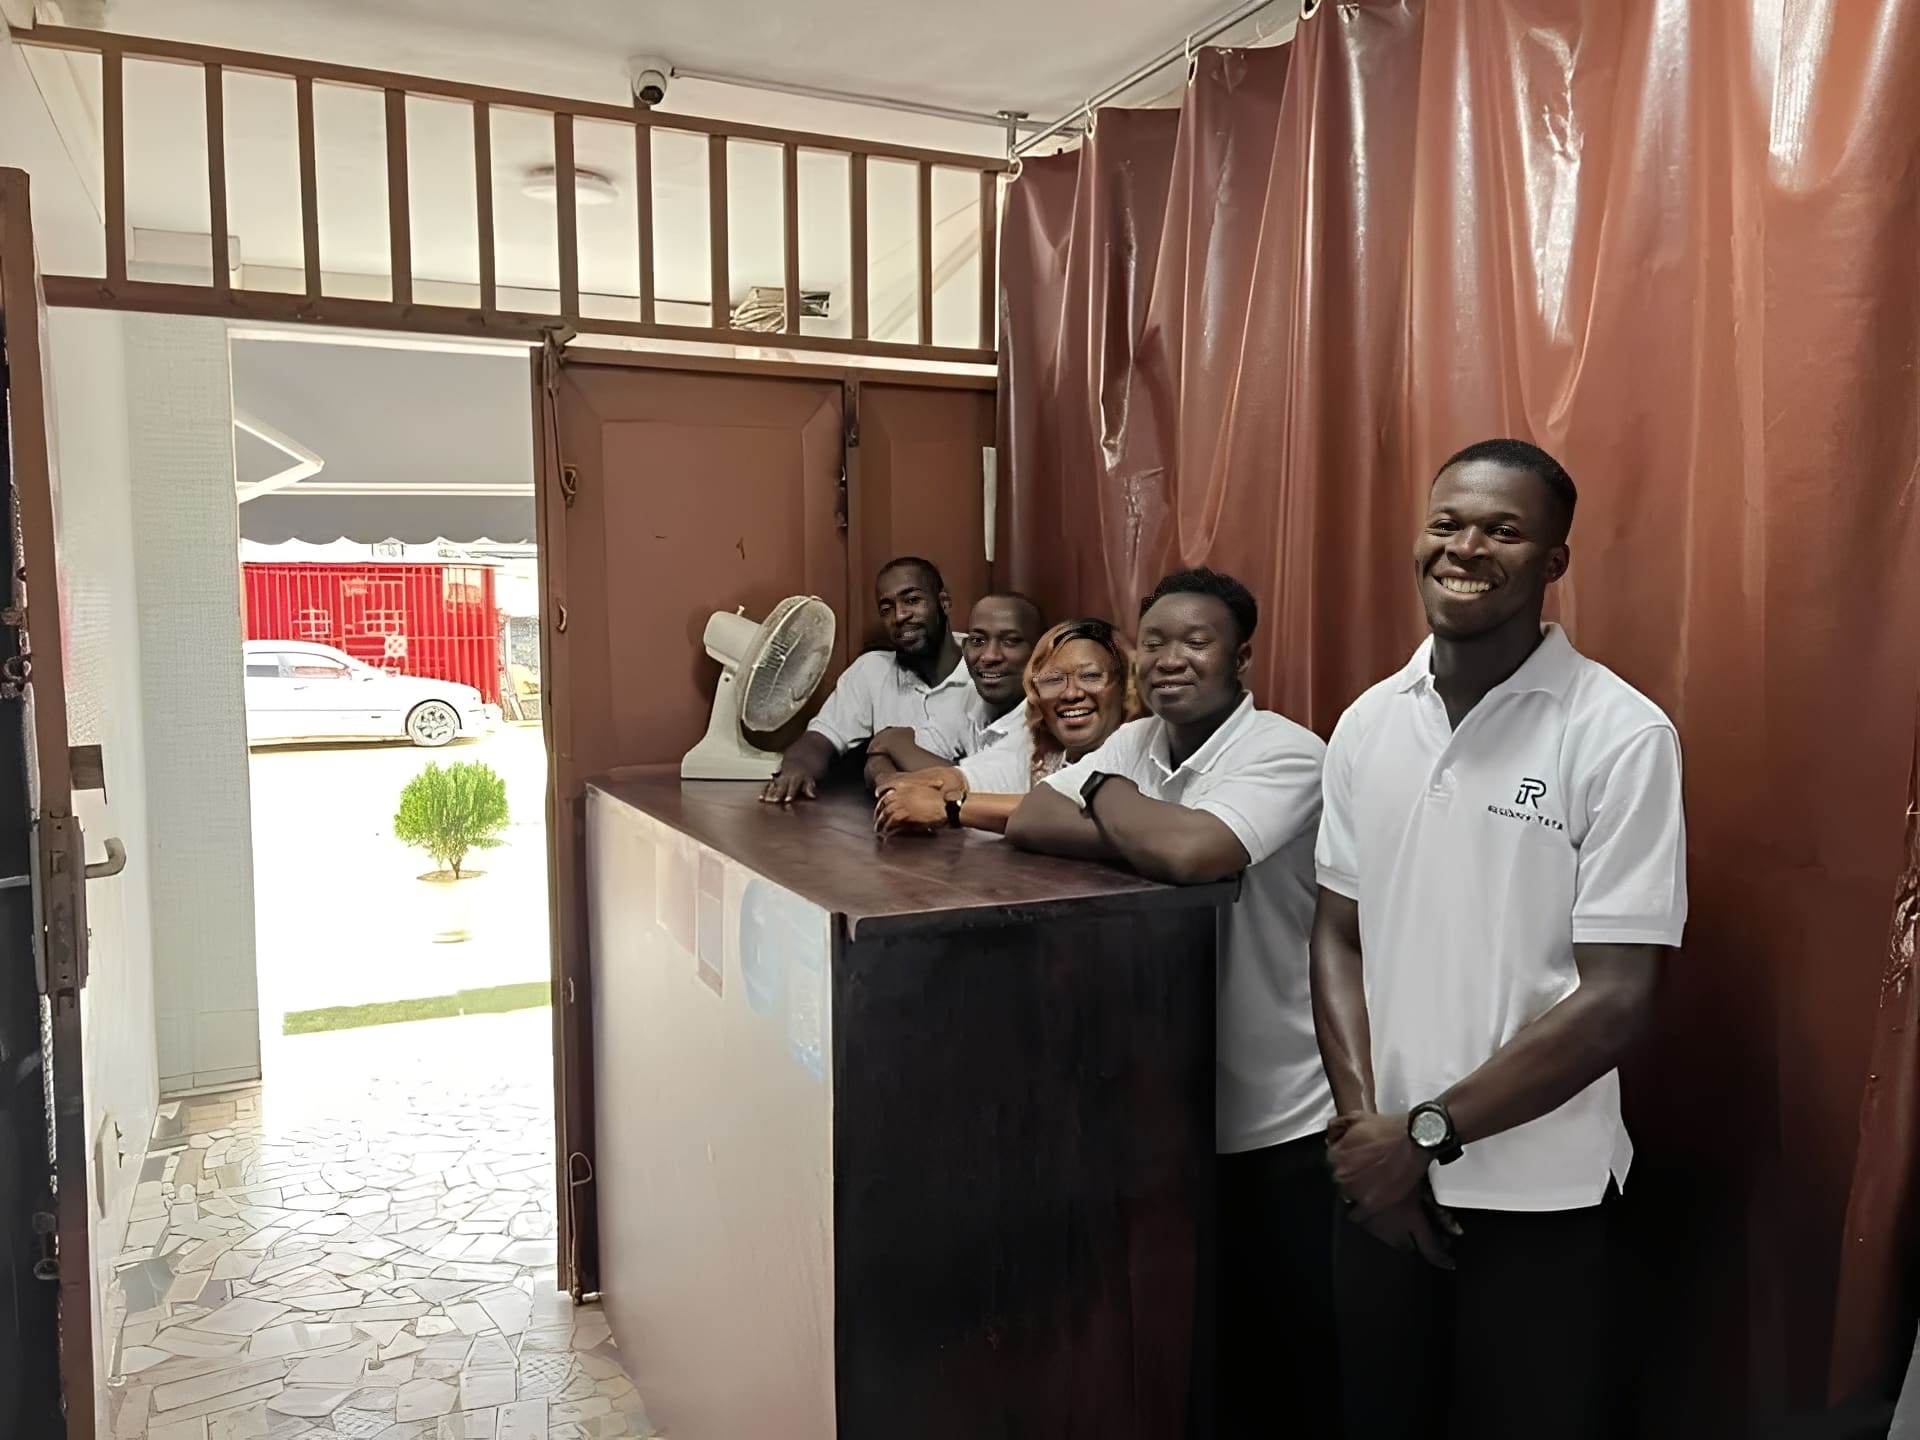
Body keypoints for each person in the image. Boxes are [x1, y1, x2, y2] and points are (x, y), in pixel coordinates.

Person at [1310, 438, 1687, 1440]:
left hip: (1541, 1199)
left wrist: (1424, 1135)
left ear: (1554, 560)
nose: (1466, 547)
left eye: (1503, 530)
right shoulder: (1368, 723)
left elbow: (1618, 999)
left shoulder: (1620, 733)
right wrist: (1367, 1137)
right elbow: (1339, 936)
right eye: (1447, 522)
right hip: (1380, 1190)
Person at [1005, 569, 1338, 1439]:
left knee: (1295, 1359)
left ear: (1242, 658)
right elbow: (1031, 819)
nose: (1170, 659)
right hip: (1167, 1105)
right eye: (1153, 642)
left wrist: (1104, 792)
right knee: (1192, 1353)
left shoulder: (1286, 752)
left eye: (1196, 641)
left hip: (1284, 1110)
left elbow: (1195, 853)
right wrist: (1136, 820)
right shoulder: (1138, 740)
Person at [873, 617, 1141, 835]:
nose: (1071, 693)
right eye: (1053, 679)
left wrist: (951, 807)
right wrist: (899, 787)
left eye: (1090, 676)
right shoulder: (1042, 745)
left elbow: (1071, 813)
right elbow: (964, 778)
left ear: (1124, 687)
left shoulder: (1139, 744)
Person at [763, 557, 975, 804]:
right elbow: (819, 739)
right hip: (891, 817)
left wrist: (884, 760)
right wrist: (796, 768)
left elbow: (990, 775)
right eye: (886, 609)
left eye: (912, 600)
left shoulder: (986, 668)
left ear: (944, 602)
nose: (899, 616)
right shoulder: (872, 670)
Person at [863, 591, 1045, 791]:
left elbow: (956, 786)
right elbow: (880, 753)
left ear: (1041, 654)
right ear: (964, 648)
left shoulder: (1045, 728)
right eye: (978, 641)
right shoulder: (968, 699)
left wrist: (895, 748)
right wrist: (887, 781)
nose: (989, 656)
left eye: (1010, 641)